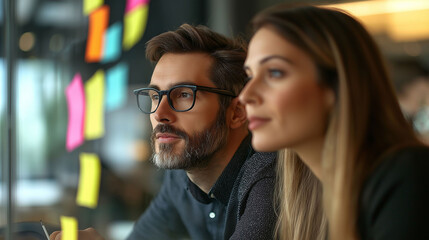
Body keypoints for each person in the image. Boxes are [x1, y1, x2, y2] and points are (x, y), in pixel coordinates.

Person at [50, 24, 277, 240]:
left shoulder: (269, 181)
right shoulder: (181, 178)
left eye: (184, 94)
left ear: (237, 112)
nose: (160, 113)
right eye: (156, 96)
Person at [239, 4, 429, 240]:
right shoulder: (308, 198)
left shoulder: (408, 176)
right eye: (249, 75)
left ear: (336, 86)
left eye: (275, 73)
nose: (245, 95)